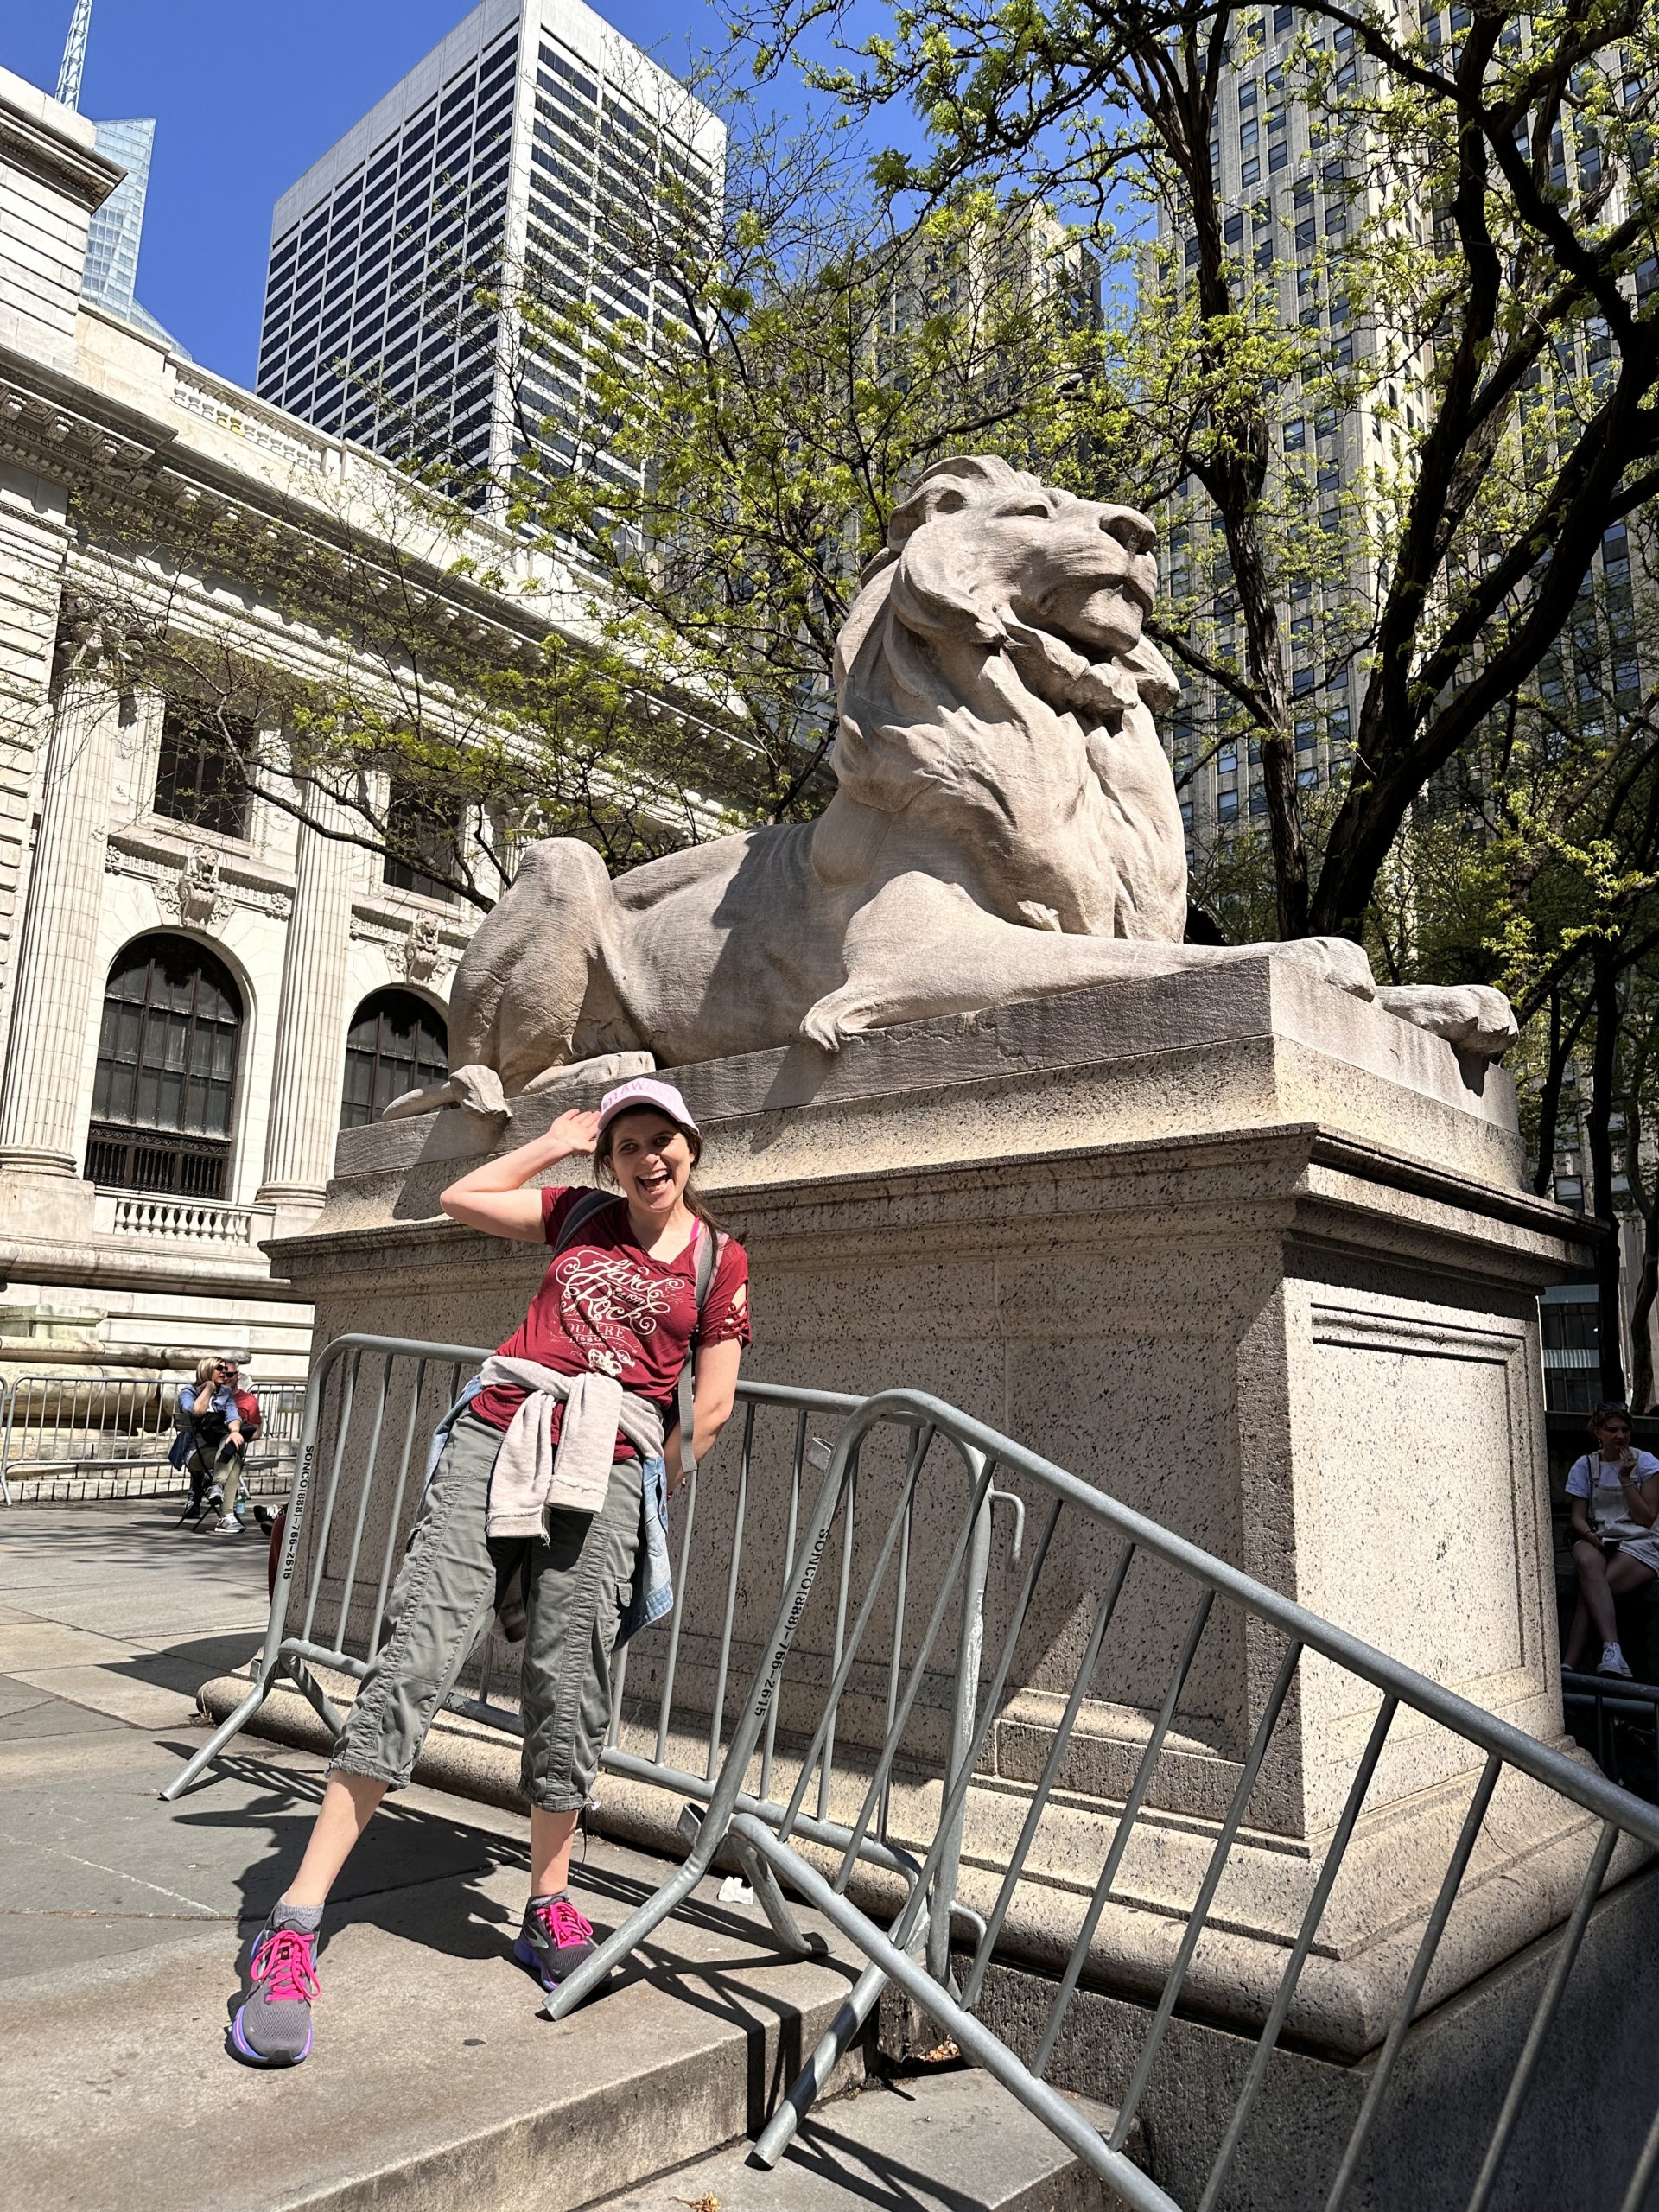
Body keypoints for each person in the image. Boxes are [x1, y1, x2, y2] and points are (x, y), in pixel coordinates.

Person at [230, 1077, 749, 2069]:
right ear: (612, 1157)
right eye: (630, 1141)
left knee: (571, 1673)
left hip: (610, 1461)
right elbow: (462, 1198)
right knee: (419, 1654)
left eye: (666, 1140)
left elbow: (711, 1405)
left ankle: (548, 1905)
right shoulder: (581, 1212)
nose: (650, 1157)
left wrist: (650, 1471)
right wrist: (552, 1141)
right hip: (500, 1429)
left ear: (692, 1149)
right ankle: (292, 1924)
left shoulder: (721, 1260)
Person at [1563, 1403, 1659, 1679]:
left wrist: (1626, 1478)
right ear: (1598, 1432)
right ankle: (1609, 1654)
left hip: (1641, 1541)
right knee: (1585, 1561)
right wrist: (1591, 1537)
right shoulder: (1585, 1464)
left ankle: (1575, 1663)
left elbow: (1646, 1518)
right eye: (1612, 1430)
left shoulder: (1648, 1463)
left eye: (1625, 1429)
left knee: (1591, 1588)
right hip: (1600, 1538)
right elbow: (1577, 1519)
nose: (1620, 1436)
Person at [172, 1357, 247, 1530]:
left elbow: (233, 1416)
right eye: (219, 1368)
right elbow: (197, 1411)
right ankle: (226, 1515)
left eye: (226, 1369)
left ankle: (218, 1487)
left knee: (233, 1445)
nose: (224, 1372)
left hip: (219, 1451)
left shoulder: (226, 1393)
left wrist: (235, 1431)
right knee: (233, 1456)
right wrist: (208, 1389)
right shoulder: (188, 1392)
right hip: (194, 1452)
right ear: (207, 1370)